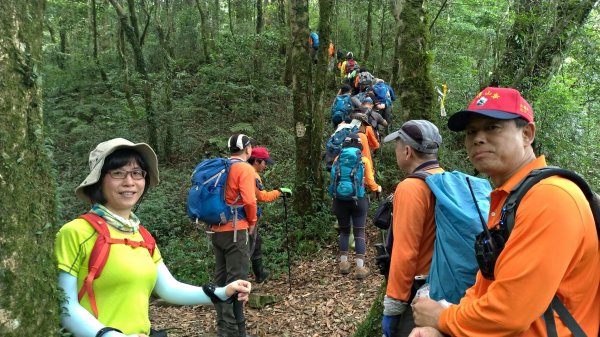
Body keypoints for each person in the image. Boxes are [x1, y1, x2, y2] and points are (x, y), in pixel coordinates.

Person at [410, 87, 599, 337]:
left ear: (527, 134)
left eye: (492, 127)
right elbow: (486, 286)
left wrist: (442, 318)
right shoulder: (512, 198)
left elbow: (508, 313)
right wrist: (445, 323)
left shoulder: (550, 198)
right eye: (471, 132)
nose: (478, 138)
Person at [55, 138, 252, 337]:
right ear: (99, 180)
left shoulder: (141, 235)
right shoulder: (76, 232)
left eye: (137, 173)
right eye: (118, 173)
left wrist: (223, 292)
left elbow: (168, 288)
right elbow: (65, 307)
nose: (129, 182)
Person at [379, 120, 444, 337]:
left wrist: (393, 307)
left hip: (419, 297)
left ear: (407, 151)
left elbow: (404, 252)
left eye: (397, 145)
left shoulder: (410, 188)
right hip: (448, 291)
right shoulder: (447, 180)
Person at [209, 133, 259, 337]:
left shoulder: (222, 166)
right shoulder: (244, 168)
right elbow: (249, 200)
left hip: (216, 229)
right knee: (237, 282)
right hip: (236, 231)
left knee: (221, 281)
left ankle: (224, 326)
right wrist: (253, 222)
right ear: (247, 149)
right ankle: (233, 331)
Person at [329, 133, 382, 279]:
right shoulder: (364, 160)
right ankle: (360, 268)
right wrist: (377, 188)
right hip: (358, 200)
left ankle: (344, 264)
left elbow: (333, 179)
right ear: (359, 146)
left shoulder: (337, 159)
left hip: (339, 200)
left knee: (344, 232)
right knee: (359, 233)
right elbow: (371, 183)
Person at [247, 146, 292, 283]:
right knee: (252, 244)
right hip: (247, 218)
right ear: (257, 161)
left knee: (255, 243)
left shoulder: (243, 171)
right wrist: (279, 192)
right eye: (264, 162)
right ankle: (255, 276)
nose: (265, 166)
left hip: (241, 216)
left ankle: (259, 274)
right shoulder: (252, 174)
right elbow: (262, 196)